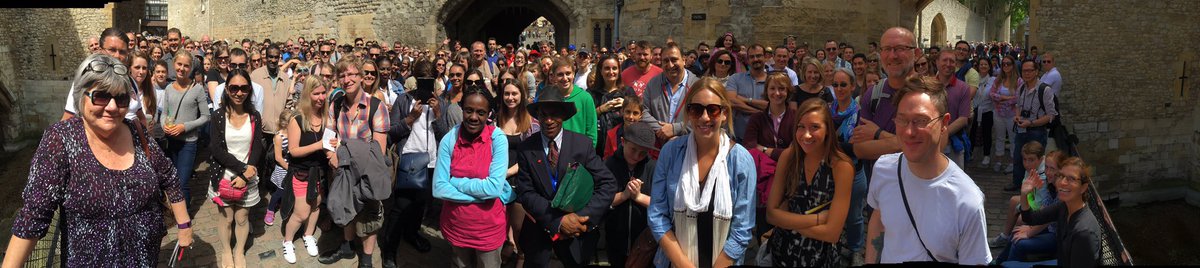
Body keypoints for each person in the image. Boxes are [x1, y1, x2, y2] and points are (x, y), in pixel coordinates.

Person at [3, 54, 193, 267]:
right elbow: (33, 217)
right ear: (81, 96)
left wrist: (184, 225)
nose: (112, 107)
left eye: (120, 99)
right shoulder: (62, 139)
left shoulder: (137, 133)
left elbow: (169, 176)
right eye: (101, 96)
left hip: (145, 259)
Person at [864, 75, 991, 264]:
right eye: (902, 120)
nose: (909, 131)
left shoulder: (967, 201)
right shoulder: (883, 169)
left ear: (944, 123)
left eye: (921, 121)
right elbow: (879, 221)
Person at [648, 77, 756, 267]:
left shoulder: (741, 160)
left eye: (712, 110)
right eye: (696, 110)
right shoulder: (670, 153)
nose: (704, 117)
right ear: (688, 114)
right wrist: (683, 264)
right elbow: (657, 215)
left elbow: (742, 228)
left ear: (724, 113)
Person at [513, 85, 617, 267]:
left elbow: (607, 184)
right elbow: (526, 192)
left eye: (555, 114)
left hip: (577, 236)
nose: (549, 120)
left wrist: (580, 218)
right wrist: (558, 221)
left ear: (564, 116)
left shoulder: (581, 144)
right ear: (537, 116)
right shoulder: (526, 148)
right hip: (539, 237)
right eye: (544, 114)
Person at [431, 87, 515, 268]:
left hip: (488, 231)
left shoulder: (497, 139)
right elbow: (438, 188)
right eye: (469, 110)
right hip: (457, 227)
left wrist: (455, 182)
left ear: (489, 114)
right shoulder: (450, 139)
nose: (474, 117)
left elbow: (494, 188)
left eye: (481, 112)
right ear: (462, 109)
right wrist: (481, 196)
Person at [765, 98, 854, 267]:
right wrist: (819, 219)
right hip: (782, 253)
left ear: (828, 129)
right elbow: (771, 214)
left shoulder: (840, 166)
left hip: (820, 258)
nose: (806, 135)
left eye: (815, 127)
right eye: (801, 127)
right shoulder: (788, 157)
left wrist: (785, 220)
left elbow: (832, 233)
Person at [321, 57, 390, 266]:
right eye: (342, 75)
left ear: (361, 77)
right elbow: (328, 138)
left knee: (369, 216)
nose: (346, 79)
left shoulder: (376, 107)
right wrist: (331, 154)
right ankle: (347, 246)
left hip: (366, 172)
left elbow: (378, 149)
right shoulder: (336, 105)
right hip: (341, 171)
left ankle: (367, 258)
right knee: (345, 209)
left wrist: (342, 150)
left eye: (351, 74)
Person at [379, 60, 445, 268]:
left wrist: (437, 115)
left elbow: (444, 135)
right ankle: (389, 249)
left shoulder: (438, 102)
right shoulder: (403, 99)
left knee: (420, 204)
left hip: (431, 161)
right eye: (423, 81)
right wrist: (410, 118)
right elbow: (393, 131)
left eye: (430, 81)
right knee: (401, 206)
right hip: (409, 159)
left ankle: (411, 233)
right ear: (416, 80)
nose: (426, 86)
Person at [205, 69, 264, 268]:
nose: (239, 93)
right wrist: (242, 169)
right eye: (234, 88)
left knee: (242, 217)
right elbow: (215, 148)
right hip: (224, 174)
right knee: (226, 217)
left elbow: (257, 146)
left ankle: (239, 251)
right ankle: (226, 250)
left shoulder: (254, 116)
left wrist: (247, 174)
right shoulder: (218, 115)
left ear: (249, 89)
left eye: (244, 88)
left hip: (247, 175)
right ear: (227, 89)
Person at [1008, 157, 1101, 267]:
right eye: (1061, 176)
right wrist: (1024, 194)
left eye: (1071, 179)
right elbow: (1030, 218)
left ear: (1083, 188)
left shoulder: (1084, 232)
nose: (1062, 182)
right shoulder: (1064, 206)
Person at [279, 76, 330, 264]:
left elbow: (329, 143)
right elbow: (293, 151)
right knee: (301, 212)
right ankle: (288, 240)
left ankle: (309, 235)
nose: (320, 97)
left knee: (316, 205)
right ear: (308, 94)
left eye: (323, 93)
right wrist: (319, 145)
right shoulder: (297, 119)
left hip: (320, 172)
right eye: (316, 93)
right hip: (301, 172)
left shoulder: (325, 116)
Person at [602, 121, 658, 267]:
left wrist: (638, 197)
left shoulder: (652, 168)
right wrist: (624, 195)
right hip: (616, 239)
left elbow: (661, 204)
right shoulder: (609, 165)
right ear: (623, 142)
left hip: (645, 241)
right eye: (633, 149)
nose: (637, 156)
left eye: (643, 153)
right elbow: (602, 201)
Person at [993, 144, 1059, 263]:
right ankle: (1000, 260)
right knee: (1017, 232)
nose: (1048, 172)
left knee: (1019, 240)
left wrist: (1029, 232)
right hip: (1049, 226)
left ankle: (1007, 263)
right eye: (1047, 168)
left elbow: (1047, 217)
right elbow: (1044, 208)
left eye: (1052, 169)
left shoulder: (1056, 188)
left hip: (1057, 235)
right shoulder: (1052, 185)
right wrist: (1024, 195)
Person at [161, 50, 211, 207]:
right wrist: (164, 126)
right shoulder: (169, 88)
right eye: (179, 64)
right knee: (174, 181)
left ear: (191, 68)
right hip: (171, 141)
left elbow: (206, 116)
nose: (182, 68)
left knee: (182, 182)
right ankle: (176, 211)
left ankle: (186, 216)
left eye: (186, 66)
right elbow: (164, 113)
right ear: (174, 64)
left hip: (188, 142)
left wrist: (184, 126)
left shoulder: (197, 89)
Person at [1006, 59, 1056, 191]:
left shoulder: (1045, 90)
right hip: (1021, 129)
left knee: (1035, 162)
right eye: (1024, 71)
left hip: (1037, 131)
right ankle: (1017, 183)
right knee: (1018, 158)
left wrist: (1031, 122)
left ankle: (1034, 187)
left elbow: (1050, 115)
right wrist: (1017, 116)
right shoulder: (1022, 87)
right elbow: (1018, 106)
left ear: (1036, 72)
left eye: (1030, 70)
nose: (1026, 73)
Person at [743, 72, 797, 162]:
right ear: (766, 91)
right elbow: (749, 147)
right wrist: (781, 152)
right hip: (763, 171)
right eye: (772, 88)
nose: (777, 93)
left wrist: (764, 149)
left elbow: (795, 151)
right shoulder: (756, 119)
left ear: (788, 91)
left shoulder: (797, 117)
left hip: (790, 170)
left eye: (782, 89)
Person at [933, 50, 974, 168]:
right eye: (944, 60)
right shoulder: (927, 84)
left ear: (955, 64)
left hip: (953, 144)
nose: (948, 64)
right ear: (937, 62)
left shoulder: (963, 88)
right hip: (929, 143)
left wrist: (941, 135)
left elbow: (963, 118)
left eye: (951, 61)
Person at [546, 60, 599, 146]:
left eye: (568, 73)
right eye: (560, 74)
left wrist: (588, 153)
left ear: (573, 74)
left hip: (579, 150)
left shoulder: (585, 98)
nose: (564, 78)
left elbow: (591, 131)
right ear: (554, 76)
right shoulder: (549, 97)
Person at [726, 44, 770, 141]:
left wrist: (744, 99)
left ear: (765, 57)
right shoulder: (735, 78)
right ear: (748, 59)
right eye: (751, 57)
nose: (755, 59)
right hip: (738, 138)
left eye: (758, 56)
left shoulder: (772, 81)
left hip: (765, 139)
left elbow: (772, 105)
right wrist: (759, 112)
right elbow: (731, 101)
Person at [588, 54, 627, 159]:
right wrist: (600, 110)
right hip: (598, 148)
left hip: (621, 146)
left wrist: (627, 104)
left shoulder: (627, 93)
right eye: (607, 68)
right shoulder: (591, 94)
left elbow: (637, 115)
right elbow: (586, 119)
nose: (611, 72)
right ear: (600, 71)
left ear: (619, 71)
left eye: (614, 68)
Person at [989, 55, 1019, 174]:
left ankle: (1012, 162)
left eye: (1008, 64)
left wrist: (1001, 99)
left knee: (1013, 139)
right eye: (1004, 64)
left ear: (1013, 65)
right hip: (999, 113)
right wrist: (1005, 97)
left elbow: (1018, 98)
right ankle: (999, 161)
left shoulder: (1018, 80)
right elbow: (991, 94)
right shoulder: (998, 79)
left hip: (1011, 114)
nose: (1006, 66)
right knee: (999, 137)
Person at [972, 57, 996, 168]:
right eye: (981, 64)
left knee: (987, 134)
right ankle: (971, 152)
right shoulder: (974, 79)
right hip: (975, 109)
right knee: (972, 132)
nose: (983, 66)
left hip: (987, 110)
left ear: (989, 66)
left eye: (985, 64)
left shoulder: (993, 80)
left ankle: (986, 155)